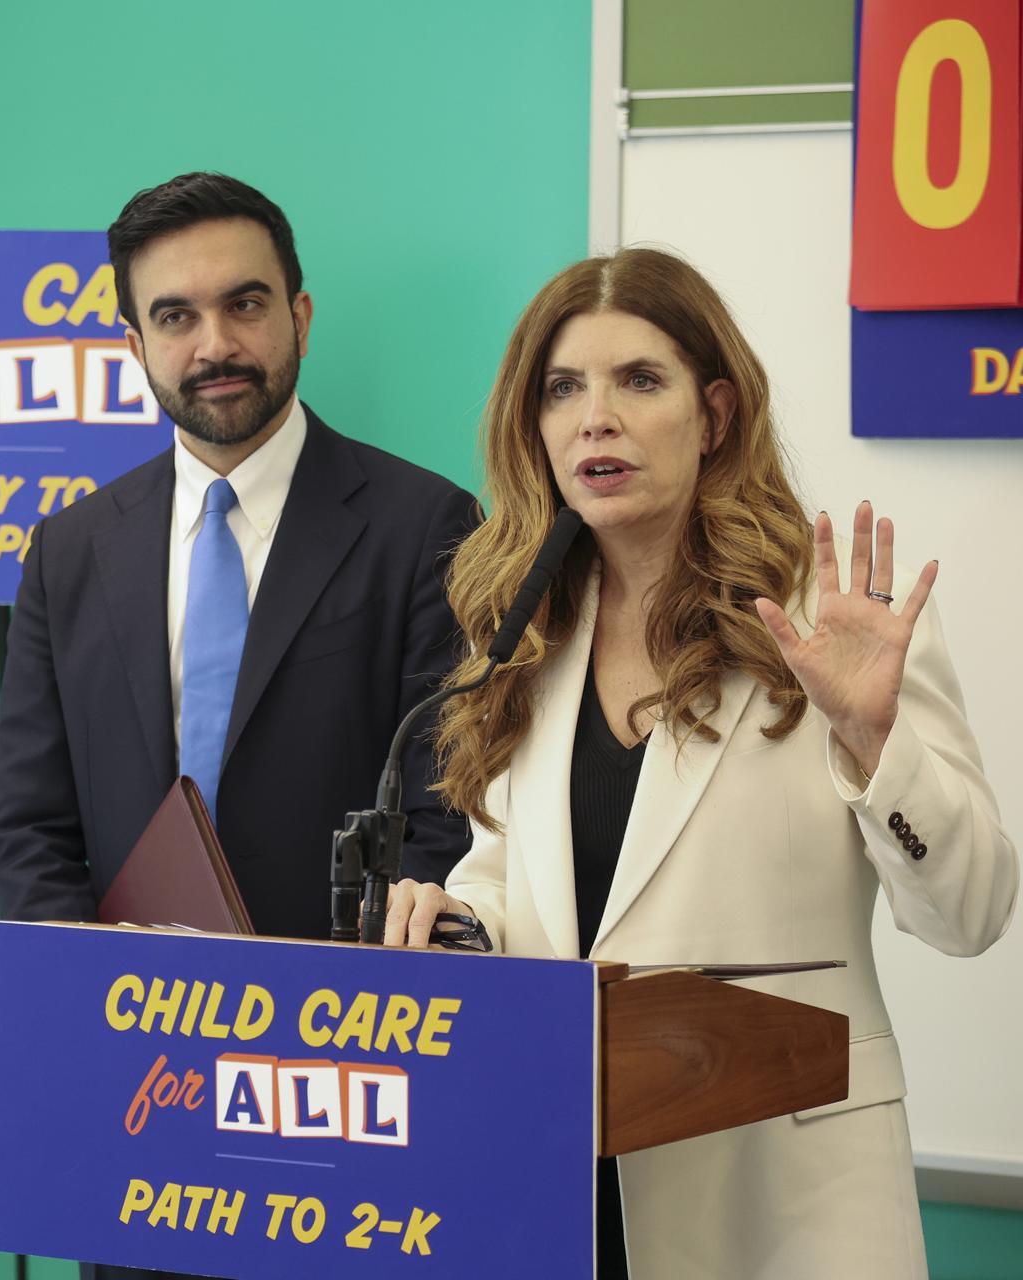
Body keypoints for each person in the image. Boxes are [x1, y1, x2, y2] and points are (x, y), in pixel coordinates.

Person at [386, 247, 1018, 1277]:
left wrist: (872, 740)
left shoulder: (831, 620)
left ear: (715, 413)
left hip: (786, 1203)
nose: (596, 416)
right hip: (560, 1189)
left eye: (639, 379)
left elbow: (974, 909)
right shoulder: (525, 630)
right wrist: (450, 923)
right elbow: (510, 889)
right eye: (563, 389)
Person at [0, 170, 477, 956]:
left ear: (300, 318)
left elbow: (446, 801)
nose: (214, 345)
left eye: (244, 305)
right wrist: (79, 982)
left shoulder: (425, 525)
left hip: (346, 1008)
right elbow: (29, 823)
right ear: (137, 348)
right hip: (126, 1008)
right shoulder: (68, 552)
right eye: (176, 316)